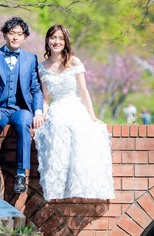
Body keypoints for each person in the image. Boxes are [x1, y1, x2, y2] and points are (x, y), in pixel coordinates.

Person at [32, 25, 114, 200]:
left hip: (75, 106)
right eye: (53, 37)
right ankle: (59, 187)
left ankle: (79, 185)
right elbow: (46, 98)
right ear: (47, 40)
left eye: (61, 38)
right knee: (57, 128)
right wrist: (42, 115)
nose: (57, 42)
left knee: (81, 130)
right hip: (57, 108)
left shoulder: (74, 62)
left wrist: (93, 116)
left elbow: (83, 91)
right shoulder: (41, 67)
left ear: (66, 42)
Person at [0, 17, 45, 195]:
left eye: (19, 34)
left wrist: (38, 112)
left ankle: (21, 174)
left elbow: (36, 88)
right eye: (11, 33)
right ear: (4, 35)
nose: (15, 37)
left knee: (23, 124)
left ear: (25, 37)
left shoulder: (31, 59)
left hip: (21, 109)